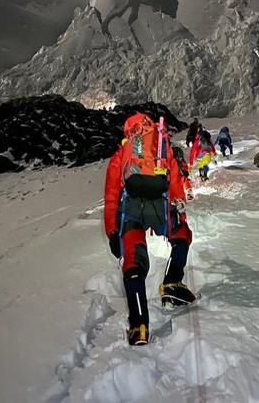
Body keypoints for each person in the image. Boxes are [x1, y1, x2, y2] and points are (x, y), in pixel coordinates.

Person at [103, 114, 197, 346]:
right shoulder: (161, 149)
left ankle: (139, 327)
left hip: (131, 208)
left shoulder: (122, 155)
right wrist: (179, 218)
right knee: (182, 235)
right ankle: (172, 282)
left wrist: (113, 231)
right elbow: (175, 184)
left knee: (133, 259)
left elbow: (112, 196)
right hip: (159, 206)